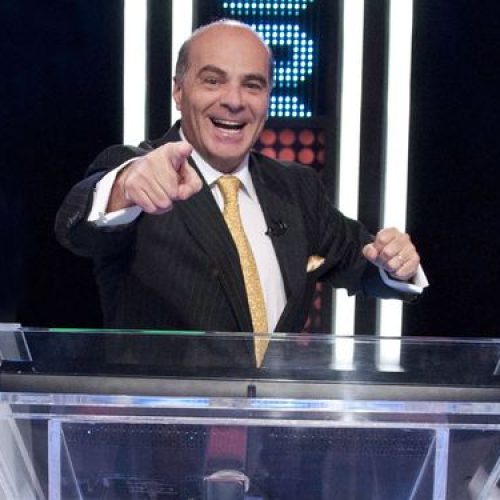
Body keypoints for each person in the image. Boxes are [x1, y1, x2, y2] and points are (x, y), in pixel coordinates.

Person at [55, 19, 427, 361]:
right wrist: (127, 184)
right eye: (213, 81)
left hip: (269, 411)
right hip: (166, 412)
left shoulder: (296, 187)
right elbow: (76, 226)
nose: (234, 101)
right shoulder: (140, 171)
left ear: (268, 98)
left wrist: (395, 263)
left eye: (252, 85)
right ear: (178, 91)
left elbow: (364, 262)